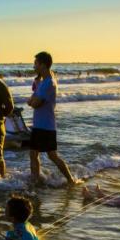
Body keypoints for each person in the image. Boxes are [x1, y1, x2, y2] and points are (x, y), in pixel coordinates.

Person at [28, 51, 78, 185]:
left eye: (36, 63)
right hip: (44, 124)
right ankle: (68, 180)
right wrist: (33, 99)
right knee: (43, 154)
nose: (34, 66)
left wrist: (32, 100)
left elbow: (35, 103)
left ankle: (36, 181)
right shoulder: (45, 81)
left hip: (43, 125)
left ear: (43, 65)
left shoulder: (48, 83)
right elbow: (32, 101)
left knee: (42, 154)